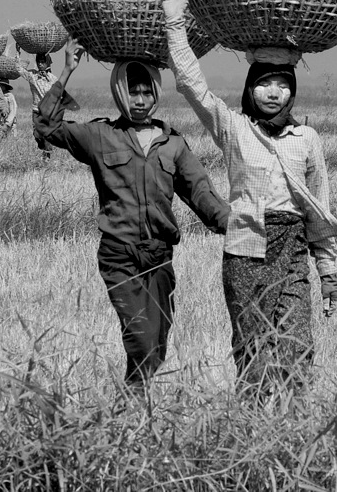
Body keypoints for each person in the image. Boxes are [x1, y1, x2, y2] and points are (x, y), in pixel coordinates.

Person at [162, 0, 337, 394]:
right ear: (250, 88)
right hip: (245, 248)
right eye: (265, 83)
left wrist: (328, 271)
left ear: (293, 90)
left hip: (293, 248)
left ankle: (295, 426)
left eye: (282, 83)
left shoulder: (306, 138)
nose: (274, 92)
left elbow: (319, 207)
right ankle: (252, 429)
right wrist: (175, 21)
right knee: (251, 347)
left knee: (297, 346)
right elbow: (192, 85)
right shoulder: (234, 128)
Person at [34, 41, 229, 390]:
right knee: (139, 337)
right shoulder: (99, 136)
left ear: (156, 92)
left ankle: (130, 411)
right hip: (119, 254)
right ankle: (132, 409)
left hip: (159, 257)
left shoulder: (173, 144)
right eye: (132, 91)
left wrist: (235, 223)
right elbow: (47, 127)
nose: (139, 100)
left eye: (146, 92)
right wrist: (66, 70)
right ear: (119, 92)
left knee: (155, 346)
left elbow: (201, 192)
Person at [15, 53, 78, 159]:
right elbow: (19, 69)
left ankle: (47, 156)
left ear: (47, 63)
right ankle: (43, 148)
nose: (40, 64)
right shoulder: (32, 76)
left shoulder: (53, 79)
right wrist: (18, 53)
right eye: (39, 62)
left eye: (43, 62)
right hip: (36, 111)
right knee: (37, 134)